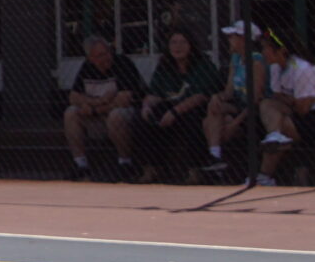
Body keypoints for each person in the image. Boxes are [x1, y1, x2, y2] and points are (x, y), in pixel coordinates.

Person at [255, 32, 315, 185]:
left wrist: (289, 101)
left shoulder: (302, 68)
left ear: (282, 51)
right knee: (266, 105)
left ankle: (264, 177)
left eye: (265, 48)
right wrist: (292, 101)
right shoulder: (275, 67)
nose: (262, 53)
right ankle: (275, 137)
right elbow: (276, 96)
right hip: (298, 113)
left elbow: (303, 109)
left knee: (280, 124)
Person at [140, 29, 221, 180]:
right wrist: (146, 106)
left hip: (194, 108)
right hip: (170, 108)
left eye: (183, 42)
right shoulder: (164, 65)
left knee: (192, 119)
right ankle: (151, 169)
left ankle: (194, 172)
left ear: (191, 45)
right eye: (174, 43)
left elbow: (200, 96)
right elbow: (154, 94)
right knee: (147, 117)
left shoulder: (203, 64)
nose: (178, 47)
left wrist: (174, 112)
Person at [63, 34, 144, 180]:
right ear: (90, 58)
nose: (106, 57)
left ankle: (125, 163)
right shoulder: (87, 67)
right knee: (71, 113)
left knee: (116, 115)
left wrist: (94, 109)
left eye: (107, 52)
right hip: (96, 117)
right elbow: (73, 97)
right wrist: (100, 101)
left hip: (125, 118)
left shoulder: (123, 63)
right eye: (100, 55)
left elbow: (124, 99)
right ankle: (81, 165)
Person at [202, 20, 272, 179]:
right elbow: (229, 92)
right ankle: (215, 157)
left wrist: (234, 124)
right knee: (213, 108)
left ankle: (218, 162)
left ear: (243, 39)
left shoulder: (256, 61)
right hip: (239, 105)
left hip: (255, 112)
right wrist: (217, 96)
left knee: (211, 124)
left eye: (232, 36)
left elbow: (255, 100)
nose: (229, 40)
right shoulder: (236, 58)